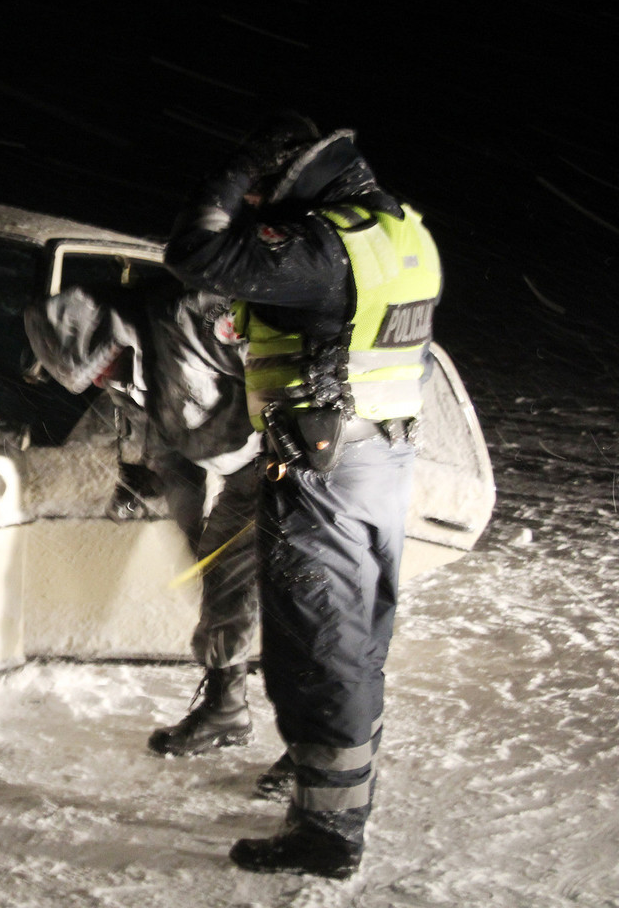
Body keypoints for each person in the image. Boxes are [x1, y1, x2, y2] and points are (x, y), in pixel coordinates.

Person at [163, 114, 442, 878]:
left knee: (317, 646)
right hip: (380, 456)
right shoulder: (402, 231)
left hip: (322, 468)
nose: (253, 205)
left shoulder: (325, 248)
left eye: (263, 192)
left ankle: (328, 835)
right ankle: (329, 800)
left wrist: (233, 164)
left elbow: (193, 252)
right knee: (356, 642)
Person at [24, 278, 263, 755]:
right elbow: (165, 439)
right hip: (238, 469)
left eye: (97, 367)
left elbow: (273, 372)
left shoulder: (190, 322)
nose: (97, 381)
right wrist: (150, 485)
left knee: (285, 598)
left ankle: (310, 750)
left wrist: (297, 465)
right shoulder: (121, 370)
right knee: (221, 579)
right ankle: (227, 708)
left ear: (109, 337)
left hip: (281, 464)